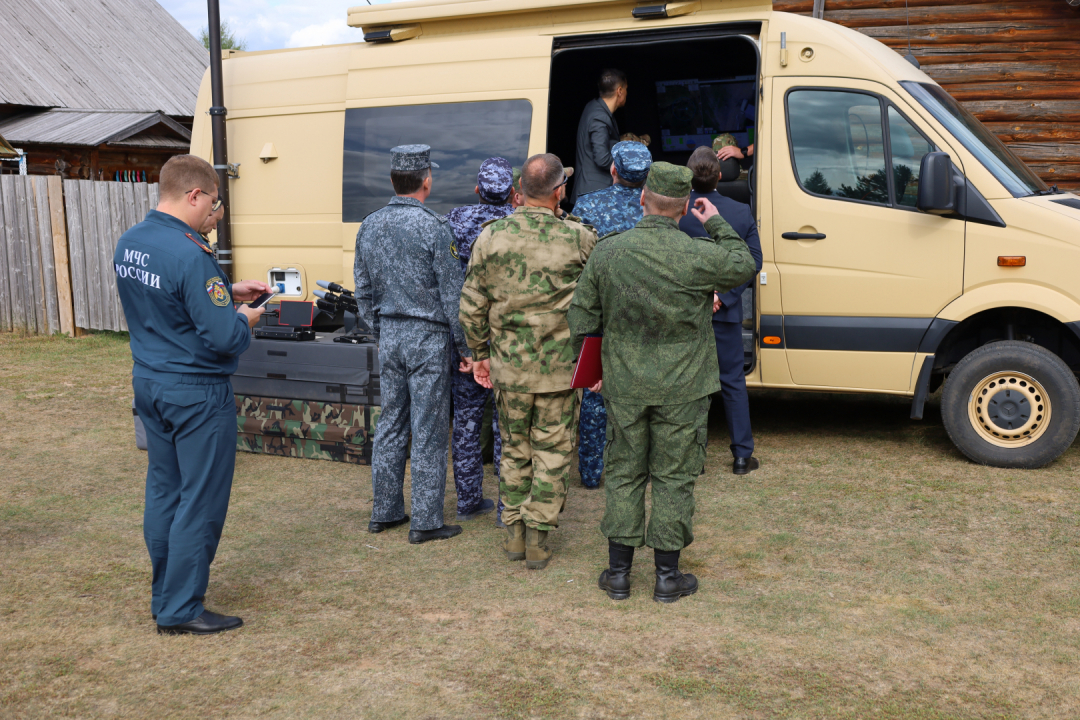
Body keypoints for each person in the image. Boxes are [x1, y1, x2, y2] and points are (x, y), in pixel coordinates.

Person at [567, 162, 755, 603]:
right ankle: (667, 578)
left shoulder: (609, 251)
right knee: (673, 476)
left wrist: (592, 373)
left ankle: (618, 574)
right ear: (685, 207)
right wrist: (715, 221)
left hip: (625, 384)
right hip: (683, 385)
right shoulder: (696, 252)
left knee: (625, 473)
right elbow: (743, 262)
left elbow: (582, 317)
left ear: (641, 199)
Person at [114, 154, 272, 635]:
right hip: (196, 390)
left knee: (165, 491)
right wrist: (244, 318)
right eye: (215, 205)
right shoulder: (190, 252)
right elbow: (223, 337)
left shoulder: (132, 242)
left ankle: (165, 596)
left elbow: (172, 303)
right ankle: (181, 608)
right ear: (194, 195)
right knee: (199, 499)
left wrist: (225, 289)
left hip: (151, 381)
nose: (215, 216)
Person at [459, 153, 598, 570]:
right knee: (553, 452)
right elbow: (598, 305)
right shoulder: (579, 239)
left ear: (519, 193)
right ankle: (537, 537)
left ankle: (516, 534)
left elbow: (470, 308)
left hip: (509, 371)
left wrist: (480, 356)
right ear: (559, 192)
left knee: (514, 449)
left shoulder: (490, 237)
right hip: (559, 372)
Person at [354, 144, 471, 545]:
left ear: (392, 179)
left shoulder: (369, 225)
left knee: (390, 423)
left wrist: (380, 331)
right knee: (429, 428)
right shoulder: (435, 227)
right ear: (426, 179)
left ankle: (384, 511)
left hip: (390, 335)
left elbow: (363, 291)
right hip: (427, 338)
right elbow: (452, 297)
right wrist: (466, 348)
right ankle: (425, 520)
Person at [570, 140, 652, 489]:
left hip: (601, 314)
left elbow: (576, 263)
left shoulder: (587, 206)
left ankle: (591, 471)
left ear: (613, 169)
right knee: (645, 392)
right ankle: (641, 467)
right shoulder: (658, 211)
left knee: (594, 392)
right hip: (647, 314)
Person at [680, 146, 764, 475]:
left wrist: (700, 294)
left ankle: (693, 459)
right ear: (718, 176)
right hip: (724, 314)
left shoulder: (678, 211)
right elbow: (753, 261)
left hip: (687, 312)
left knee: (689, 384)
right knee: (732, 382)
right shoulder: (741, 212)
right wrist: (723, 295)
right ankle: (742, 456)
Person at [444, 157, 516, 522]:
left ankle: (469, 500)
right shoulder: (517, 224)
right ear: (513, 192)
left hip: (468, 337)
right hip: (507, 338)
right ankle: (508, 507)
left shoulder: (455, 219)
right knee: (507, 427)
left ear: (477, 189)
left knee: (468, 422)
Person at [572, 68, 627, 202]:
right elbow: (602, 159)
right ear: (619, 91)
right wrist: (629, 169)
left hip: (590, 191)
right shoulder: (599, 117)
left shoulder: (593, 106)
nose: (626, 93)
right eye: (626, 89)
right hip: (593, 195)